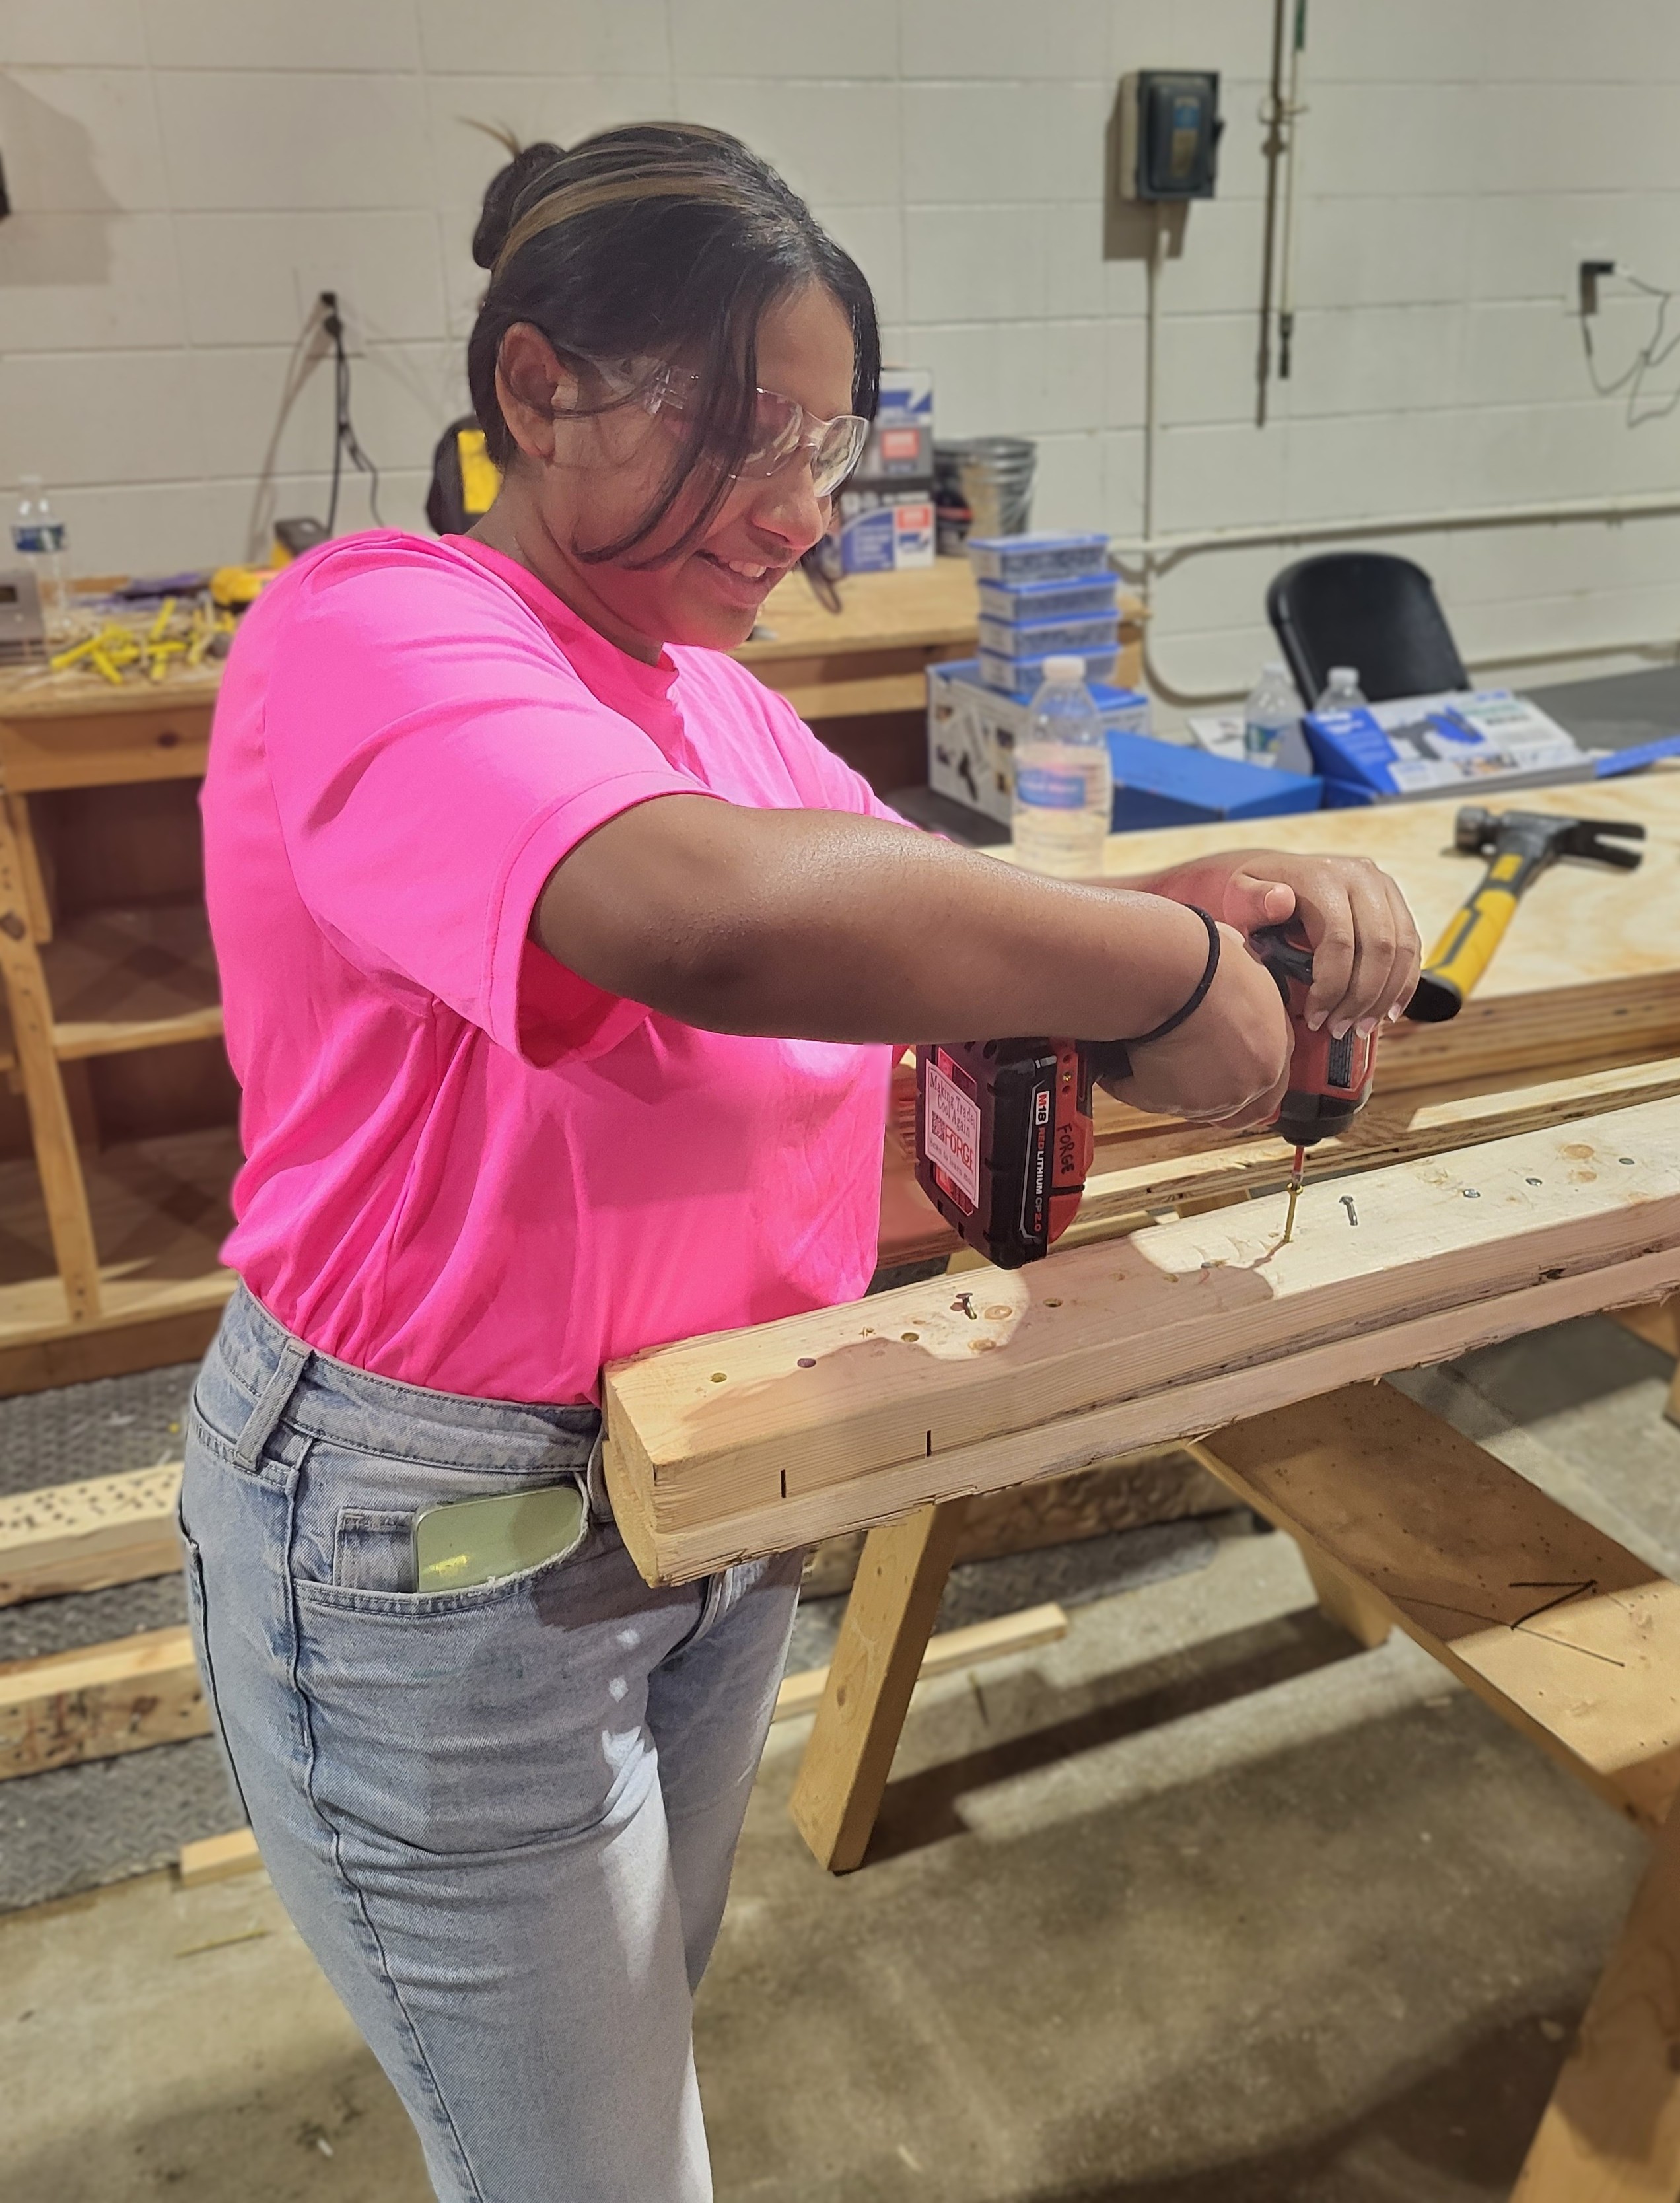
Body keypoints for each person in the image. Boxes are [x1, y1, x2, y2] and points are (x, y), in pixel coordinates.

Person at [184, 123, 1420, 2203]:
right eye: (748, 438)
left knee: (634, 2062)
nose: (797, 512)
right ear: (535, 389)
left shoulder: (713, 709)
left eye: (831, 448)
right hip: (440, 1547)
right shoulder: (378, 627)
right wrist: (1150, 958)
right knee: (591, 2172)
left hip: (708, 1493)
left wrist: (1206, 909)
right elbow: (701, 916)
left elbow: (911, 931)